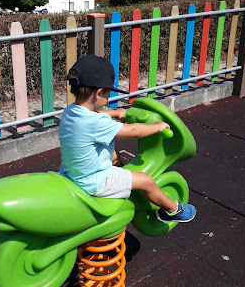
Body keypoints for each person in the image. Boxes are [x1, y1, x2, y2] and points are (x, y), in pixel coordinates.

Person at [59, 55, 196, 223]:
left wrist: (115, 113)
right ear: (99, 93)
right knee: (147, 181)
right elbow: (133, 131)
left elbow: (92, 115)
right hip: (95, 181)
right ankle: (173, 210)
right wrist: (157, 127)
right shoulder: (97, 123)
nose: (108, 98)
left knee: (113, 152)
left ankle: (122, 175)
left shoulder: (70, 112)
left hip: (72, 173)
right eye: (108, 93)